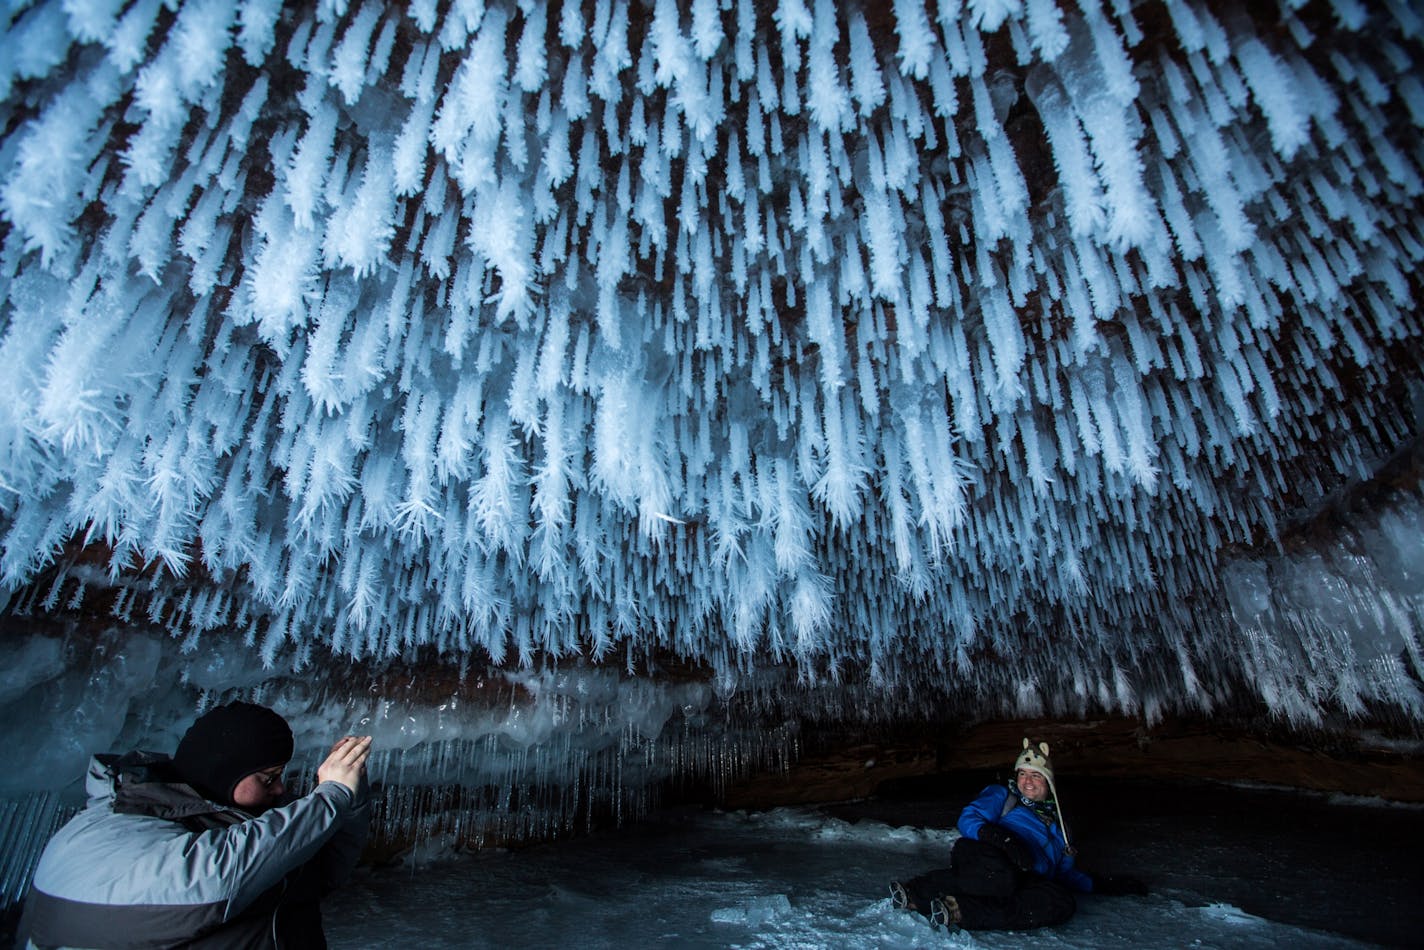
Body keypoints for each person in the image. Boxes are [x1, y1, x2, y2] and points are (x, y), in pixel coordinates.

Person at [17, 701, 374, 948]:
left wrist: (351, 795)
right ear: (225, 771)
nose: (280, 788)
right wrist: (330, 797)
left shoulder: (242, 820)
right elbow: (207, 880)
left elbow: (321, 871)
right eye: (268, 778)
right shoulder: (111, 824)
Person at [889, 738, 1145, 931]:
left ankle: (960, 911)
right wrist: (1004, 840)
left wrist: (1102, 885)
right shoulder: (1005, 797)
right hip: (982, 854)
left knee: (1060, 902)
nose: (1027, 781)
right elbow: (967, 820)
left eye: (1036, 775)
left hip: (1023, 875)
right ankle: (916, 893)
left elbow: (1063, 874)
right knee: (1001, 879)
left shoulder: (1060, 829)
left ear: (1049, 783)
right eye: (1022, 773)